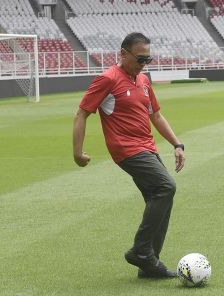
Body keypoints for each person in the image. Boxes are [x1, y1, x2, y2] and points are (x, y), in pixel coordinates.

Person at [72, 33, 185, 279]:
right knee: (166, 187)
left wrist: (177, 144)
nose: (144, 64)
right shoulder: (107, 79)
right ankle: (141, 251)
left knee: (161, 199)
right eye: (140, 58)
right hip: (126, 149)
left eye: (148, 59)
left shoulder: (143, 80)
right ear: (123, 54)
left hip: (147, 148)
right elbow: (82, 114)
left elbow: (155, 115)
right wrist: (77, 153)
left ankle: (149, 265)